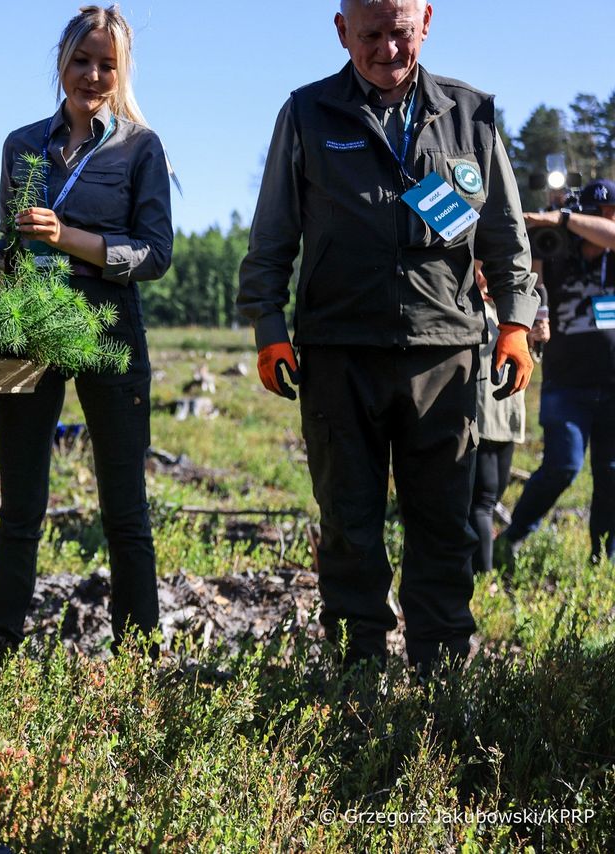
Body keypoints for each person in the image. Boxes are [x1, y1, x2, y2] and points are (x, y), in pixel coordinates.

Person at [236, 0, 538, 676]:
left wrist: (515, 323)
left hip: (445, 354)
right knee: (349, 526)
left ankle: (442, 679)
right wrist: (268, 326)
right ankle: (359, 677)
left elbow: (505, 238)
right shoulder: (308, 114)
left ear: (426, 21)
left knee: (443, 526)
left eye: (400, 33)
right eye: (370, 35)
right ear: (341, 30)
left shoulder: (471, 114)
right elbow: (273, 236)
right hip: (339, 355)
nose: (387, 51)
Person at [0, 5, 172, 671]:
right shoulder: (21, 144)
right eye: (82, 60)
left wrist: (69, 238)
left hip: (111, 334)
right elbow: (17, 245)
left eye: (107, 64)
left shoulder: (140, 146)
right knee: (20, 505)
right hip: (28, 330)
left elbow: (156, 254)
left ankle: (139, 659)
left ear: (122, 70)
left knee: (125, 510)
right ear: (61, 63)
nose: (93, 75)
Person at [497, 179, 615, 566]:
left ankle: (604, 560)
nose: (603, 218)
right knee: (562, 465)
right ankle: (514, 535)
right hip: (567, 382)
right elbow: (530, 280)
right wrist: (545, 231)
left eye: (608, 212)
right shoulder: (557, 249)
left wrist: (563, 217)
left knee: (611, 476)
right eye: (596, 213)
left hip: (612, 384)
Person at [468, 262, 546, 574]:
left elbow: (523, 356)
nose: (484, 273)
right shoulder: (467, 304)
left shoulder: (510, 306)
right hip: (483, 412)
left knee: (494, 495)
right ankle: (484, 579)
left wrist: (535, 339)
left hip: (508, 412)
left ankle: (480, 568)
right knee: (483, 501)